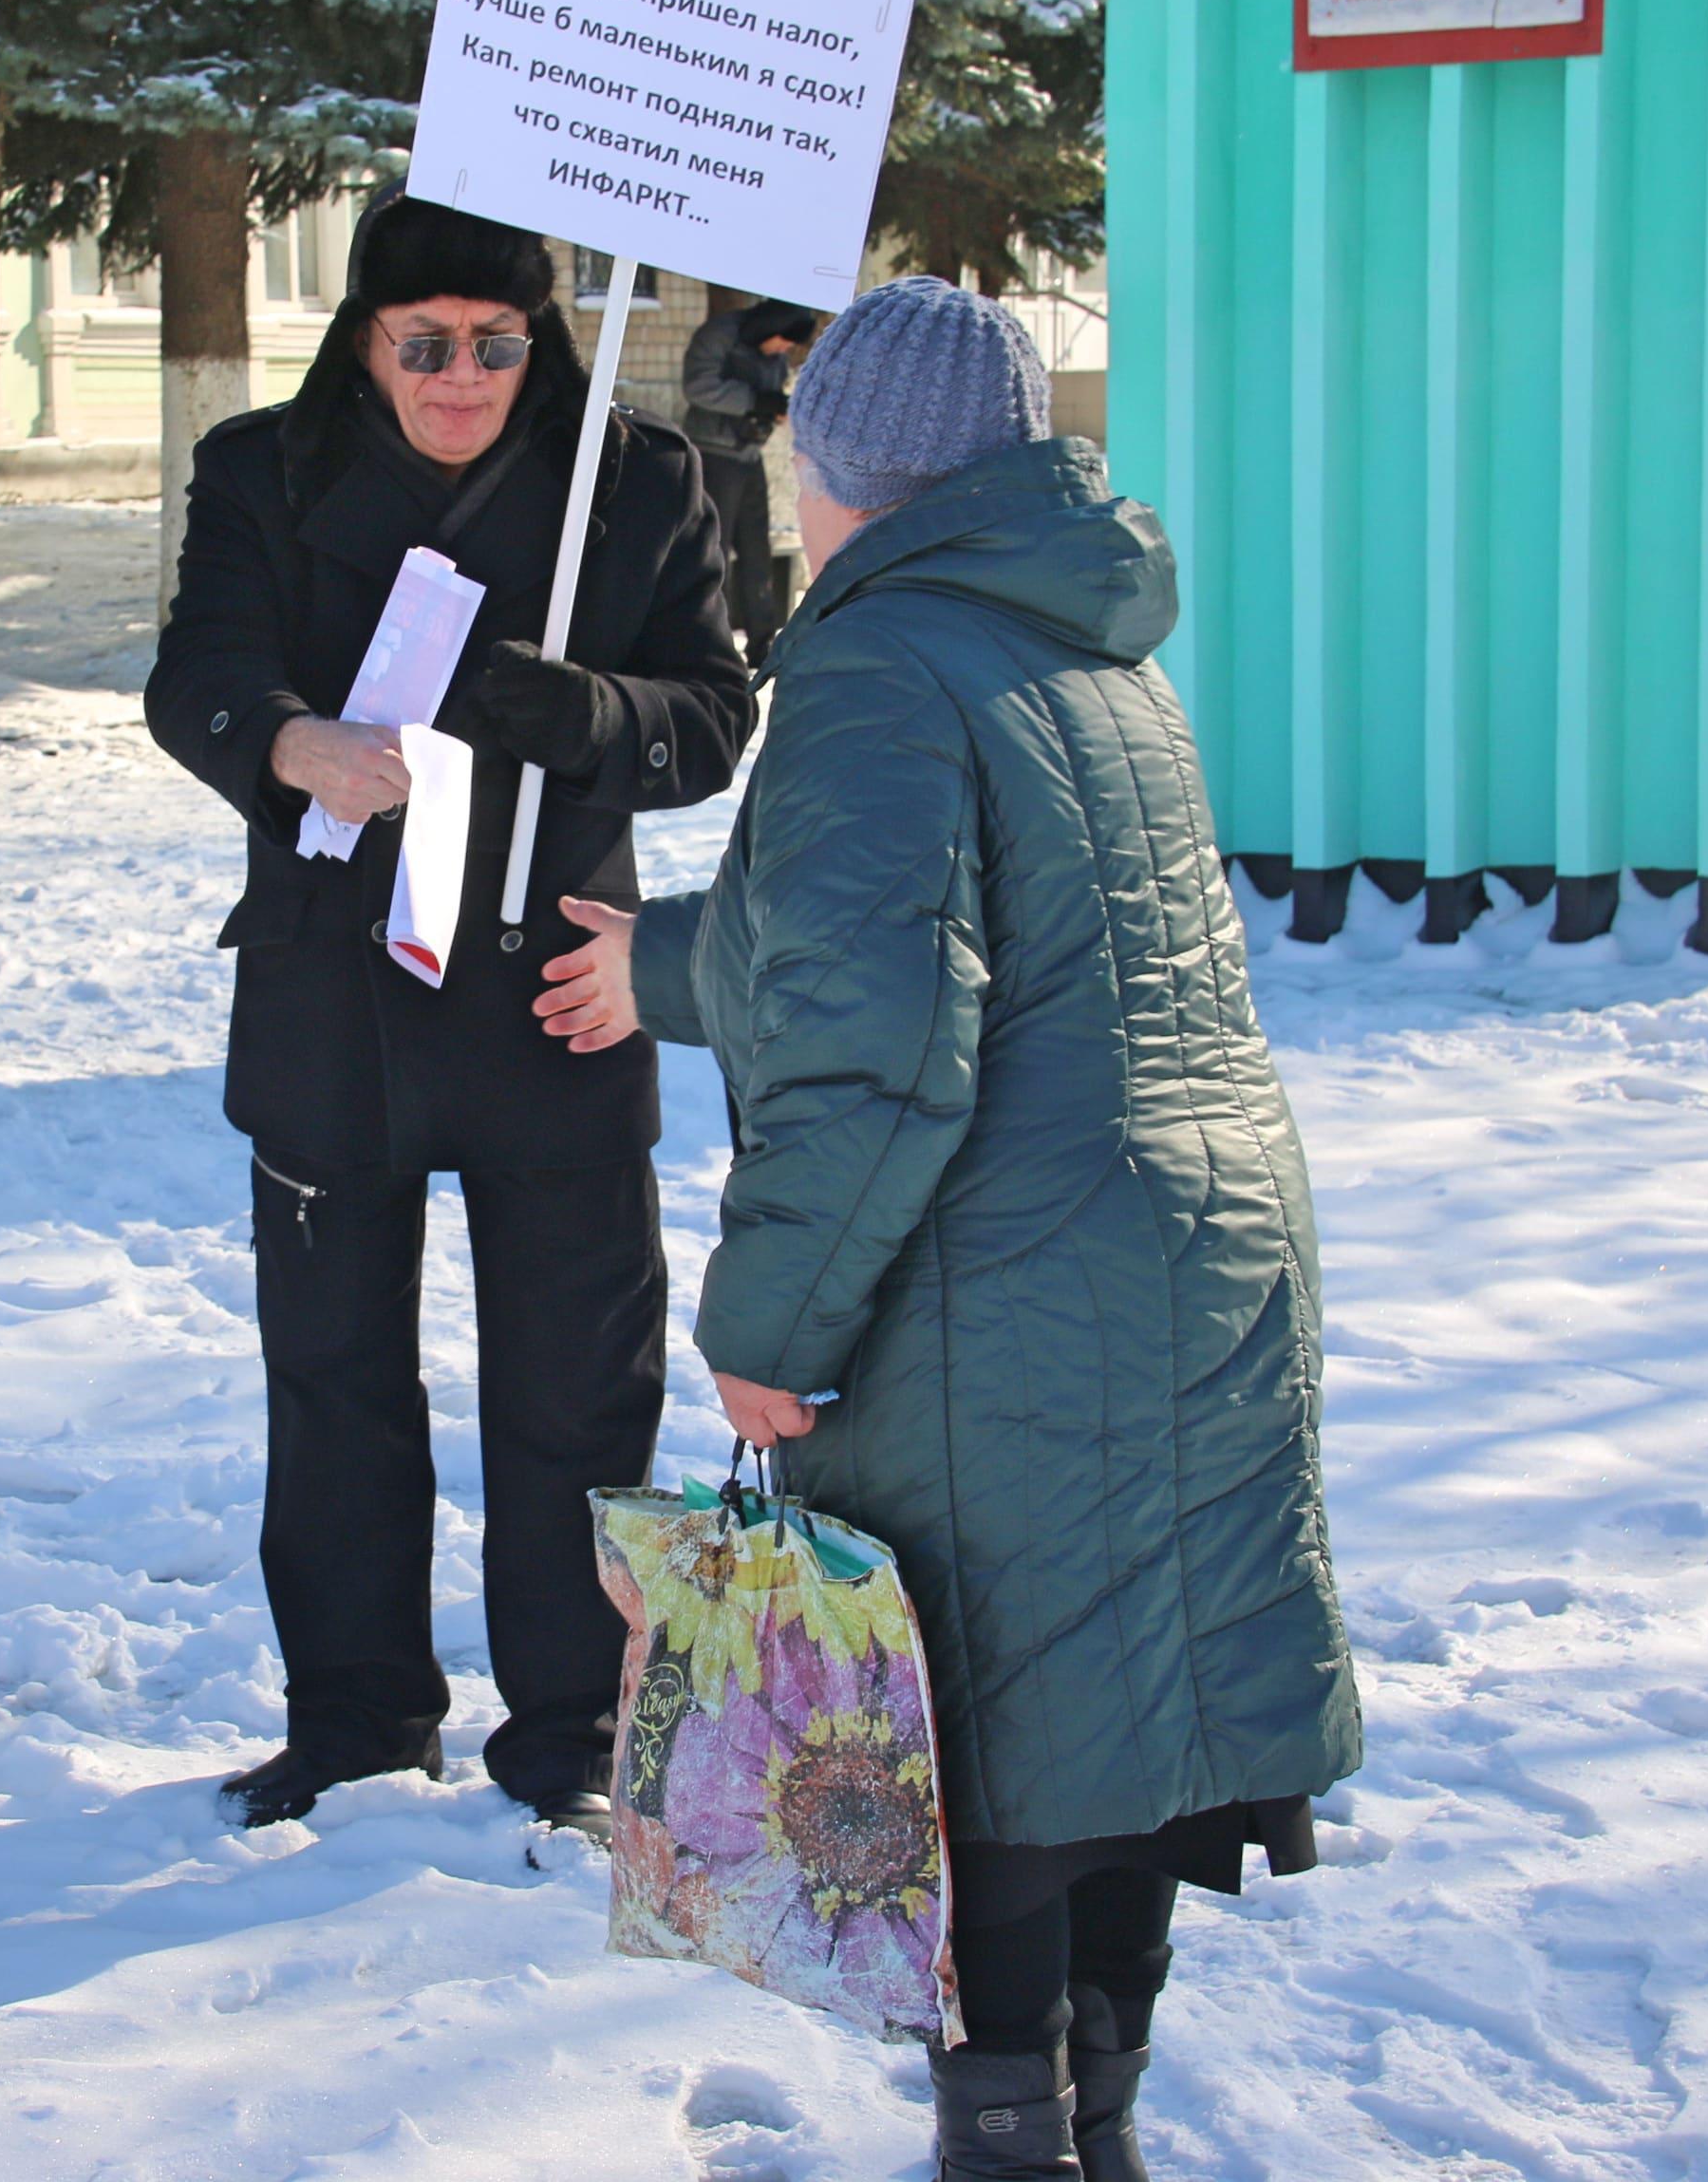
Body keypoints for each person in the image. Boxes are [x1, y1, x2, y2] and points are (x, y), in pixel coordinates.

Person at [532, 277, 1364, 2181]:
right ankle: (1098, 2130)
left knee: (970, 1760)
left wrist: (774, 1324)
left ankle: (1008, 2150)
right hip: (1183, 1257)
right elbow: (932, 934)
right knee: (1110, 1742)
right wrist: (659, 958)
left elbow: (882, 1039)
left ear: (847, 469)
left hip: (1001, 1294)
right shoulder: (1080, 640)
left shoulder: (875, 663)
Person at [144, 189, 757, 1837]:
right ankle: (352, 1719)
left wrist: (593, 712)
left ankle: (569, 1727)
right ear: (363, 338)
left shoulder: (633, 484)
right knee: (333, 1379)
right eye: (422, 342)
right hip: (334, 988)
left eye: (497, 342)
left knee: (574, 1386)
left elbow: (711, 718)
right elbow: (193, 670)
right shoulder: (261, 470)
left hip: (556, 985)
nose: (461, 374)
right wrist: (284, 745)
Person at [680, 297, 816, 663]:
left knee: (758, 550)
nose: (784, 351)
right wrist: (757, 401)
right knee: (714, 549)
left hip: (748, 454)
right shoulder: (720, 336)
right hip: (714, 454)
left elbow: (768, 393)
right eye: (784, 342)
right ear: (769, 329)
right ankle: (710, 640)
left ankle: (763, 642)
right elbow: (698, 386)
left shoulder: (772, 352)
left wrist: (774, 408)